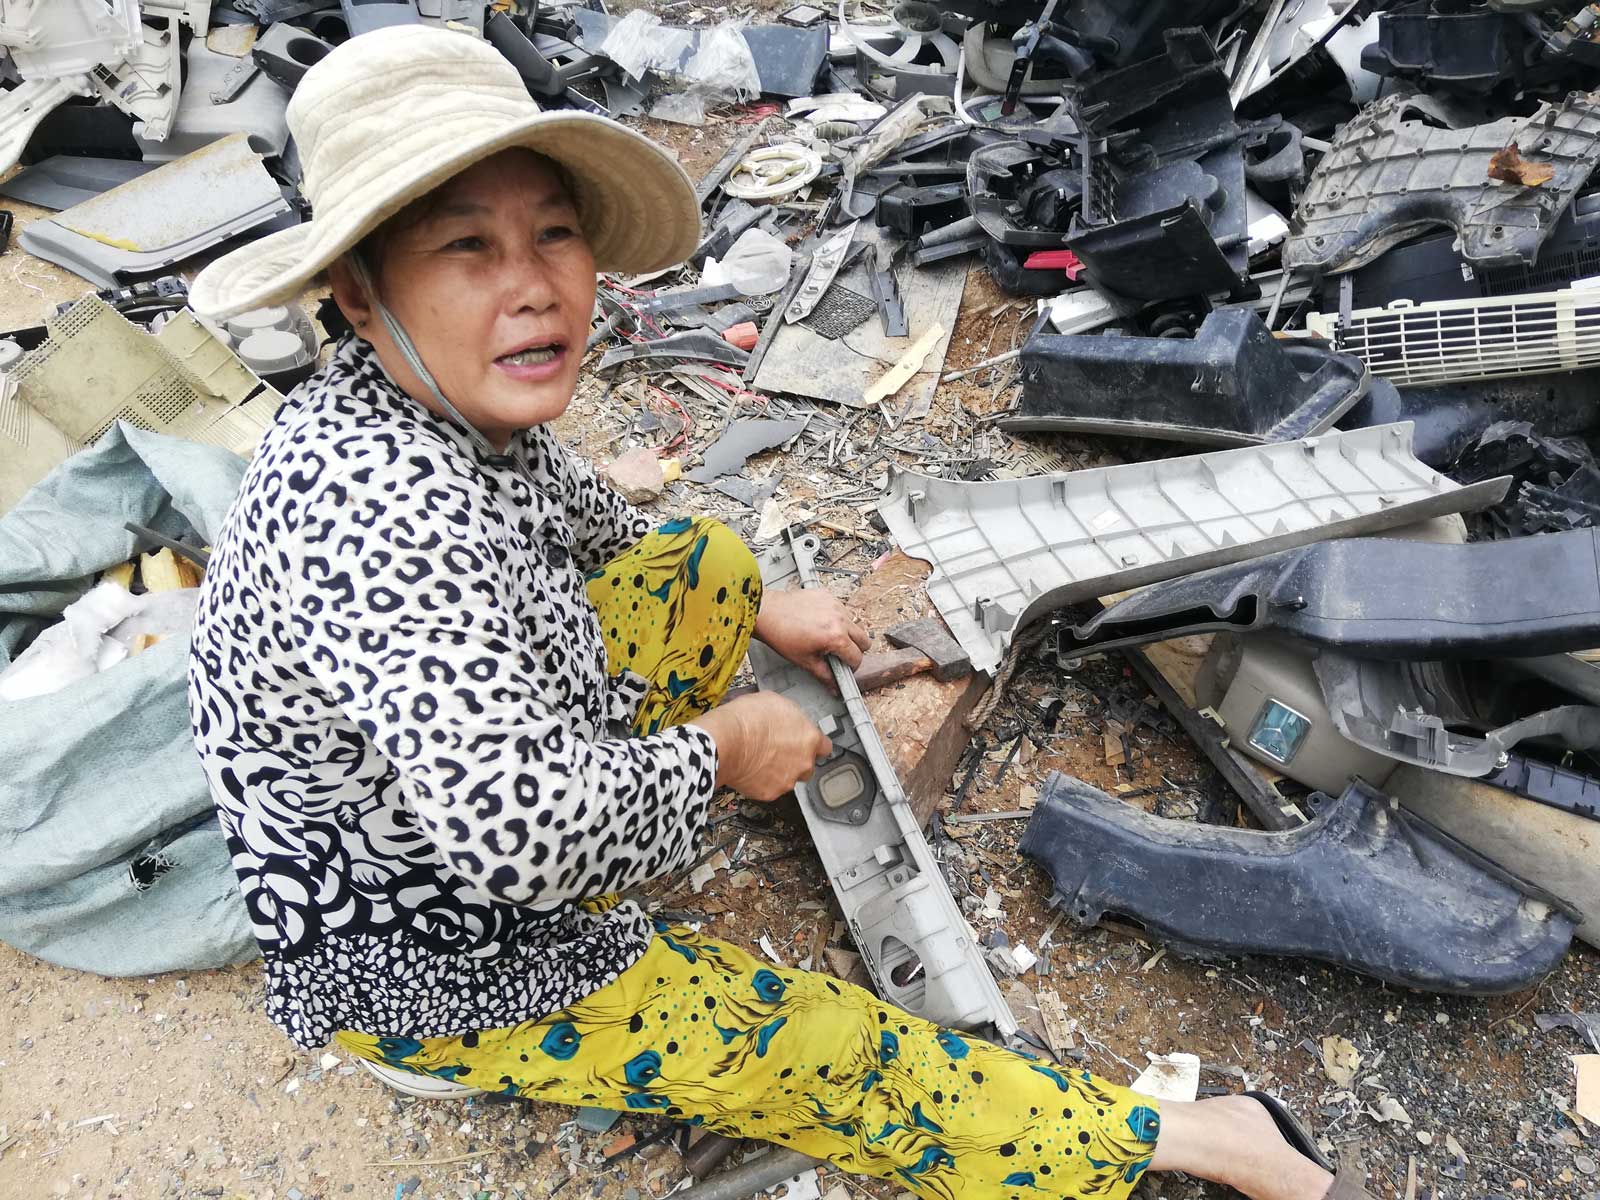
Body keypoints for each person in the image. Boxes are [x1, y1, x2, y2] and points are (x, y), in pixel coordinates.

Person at [186, 25, 1367, 1200]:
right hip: (435, 945)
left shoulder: (440, 410)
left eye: (552, 233)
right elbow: (520, 843)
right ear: (357, 290)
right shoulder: (380, 513)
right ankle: (1206, 1141)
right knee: (819, 1048)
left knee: (704, 557)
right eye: (464, 248)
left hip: (476, 786)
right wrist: (722, 751)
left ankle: (651, 773)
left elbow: (604, 524)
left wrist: (759, 609)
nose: (534, 286)